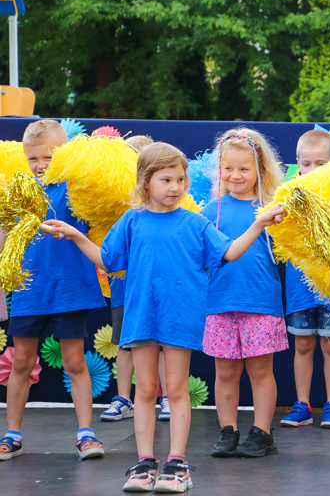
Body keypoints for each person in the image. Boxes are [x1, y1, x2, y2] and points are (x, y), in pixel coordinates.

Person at [44, 142, 284, 492]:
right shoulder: (132, 221)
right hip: (143, 317)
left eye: (181, 180)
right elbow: (109, 260)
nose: (175, 187)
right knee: (145, 389)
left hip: (179, 319)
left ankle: (177, 463)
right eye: (166, 180)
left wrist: (259, 223)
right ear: (146, 182)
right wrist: (78, 235)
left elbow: (229, 252)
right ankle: (144, 463)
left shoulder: (194, 222)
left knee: (174, 389)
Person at [1, 120, 106, 462]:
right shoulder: (18, 192)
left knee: (75, 362)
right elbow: (5, 239)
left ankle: (86, 434)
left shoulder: (79, 189)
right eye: (33, 158)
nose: (41, 164)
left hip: (70, 290)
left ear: (66, 154)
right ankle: (12, 434)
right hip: (30, 290)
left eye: (50, 156)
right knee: (21, 362)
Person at [202, 128, 288, 458]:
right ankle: (228, 431)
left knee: (260, 371)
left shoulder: (272, 210)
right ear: (219, 169)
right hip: (220, 302)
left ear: (259, 171)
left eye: (244, 169)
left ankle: (262, 433)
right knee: (225, 373)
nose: (235, 175)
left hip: (261, 302)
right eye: (228, 168)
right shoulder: (211, 211)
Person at [101, 134, 174, 425]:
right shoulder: (118, 199)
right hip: (126, 284)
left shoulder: (170, 202)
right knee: (125, 341)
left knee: (159, 342)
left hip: (161, 283)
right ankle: (123, 398)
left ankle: (166, 396)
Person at [281, 130, 330, 429]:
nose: (312, 170)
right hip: (299, 286)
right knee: (302, 346)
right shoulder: (287, 193)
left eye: (320, 164)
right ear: (296, 163)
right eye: (306, 164)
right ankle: (302, 405)